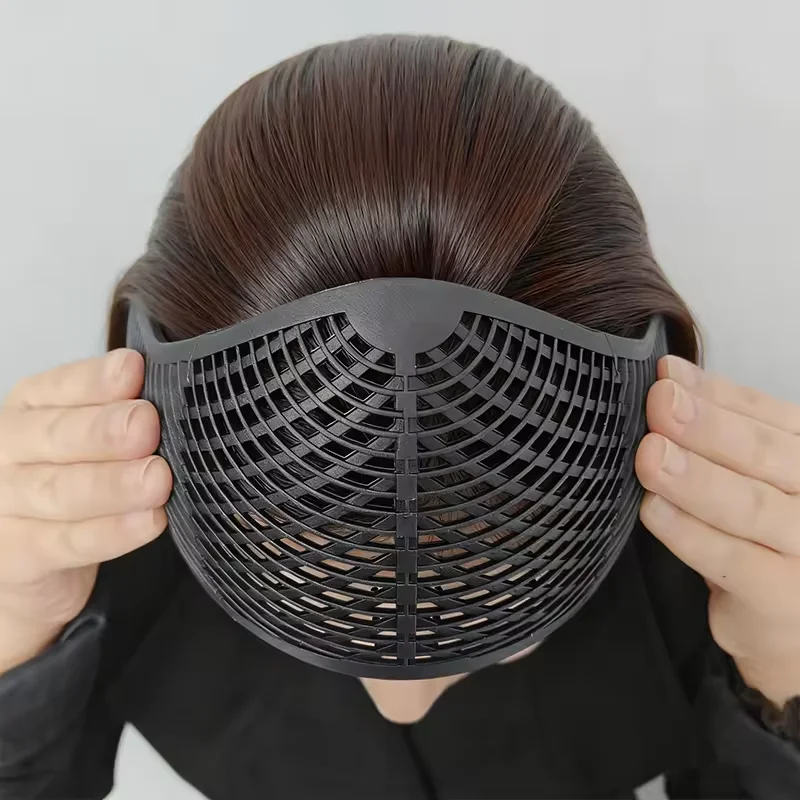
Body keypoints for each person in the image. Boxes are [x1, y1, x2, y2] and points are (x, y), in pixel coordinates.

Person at [1, 34, 799, 800]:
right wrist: (13, 634)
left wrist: (782, 679)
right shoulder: (114, 550)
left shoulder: (704, 564)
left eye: (490, 579)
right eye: (317, 577)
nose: (404, 698)